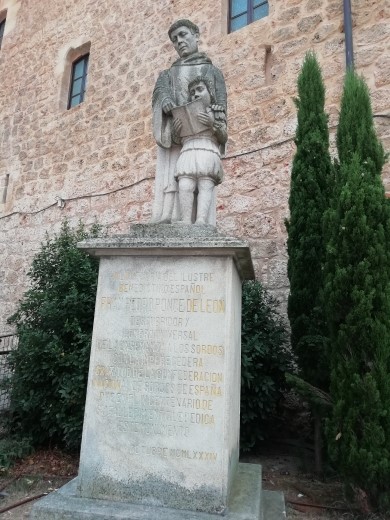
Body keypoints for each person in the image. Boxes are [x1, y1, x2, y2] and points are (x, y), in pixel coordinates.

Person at [151, 19, 227, 224]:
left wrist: (213, 121)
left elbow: (221, 106)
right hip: (177, 135)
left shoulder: (212, 72)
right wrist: (166, 101)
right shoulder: (168, 73)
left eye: (183, 35)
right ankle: (168, 214)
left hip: (204, 139)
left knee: (203, 180)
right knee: (175, 176)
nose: (179, 41)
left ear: (196, 35)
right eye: (175, 39)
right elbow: (160, 91)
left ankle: (198, 221)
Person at [173, 77, 227, 224]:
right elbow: (178, 140)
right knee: (185, 184)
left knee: (205, 184)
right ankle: (185, 220)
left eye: (200, 89)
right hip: (189, 149)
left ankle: (201, 221)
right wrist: (177, 131)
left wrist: (212, 124)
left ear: (210, 92)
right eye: (192, 92)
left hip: (207, 148)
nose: (195, 94)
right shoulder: (185, 113)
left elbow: (223, 136)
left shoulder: (217, 112)